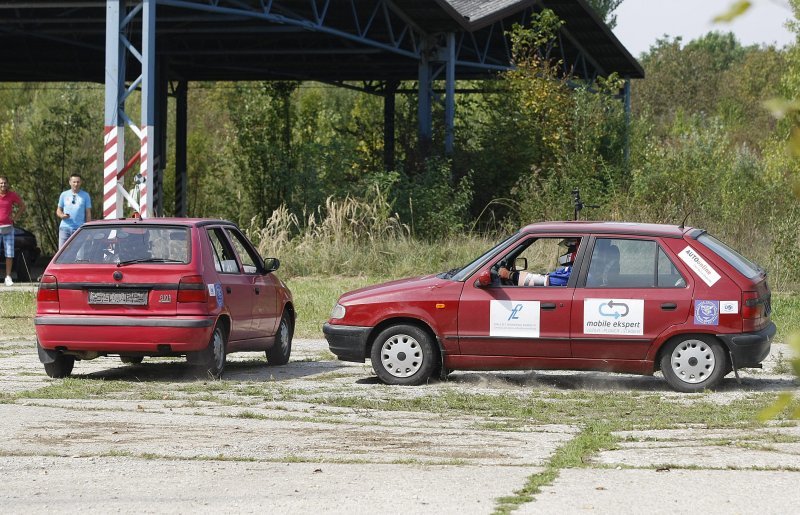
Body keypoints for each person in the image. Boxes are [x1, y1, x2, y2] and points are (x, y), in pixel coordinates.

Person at [499, 238, 579, 287]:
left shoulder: (573, 273)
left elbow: (544, 281)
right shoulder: (574, 270)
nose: (566, 253)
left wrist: (509, 275)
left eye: (569, 249)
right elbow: (547, 276)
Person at [0, 176, 27, 286]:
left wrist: (15, 218)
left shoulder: (12, 195)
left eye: (5, 183)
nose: (3, 185)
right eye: (1, 183)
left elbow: (22, 206)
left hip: (8, 227)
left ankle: (8, 276)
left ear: (8, 184)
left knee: (9, 253)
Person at [57, 173, 92, 248]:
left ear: (81, 182)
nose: (76, 184)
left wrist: (88, 229)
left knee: (78, 254)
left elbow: (88, 213)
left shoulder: (85, 195)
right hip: (64, 228)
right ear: (70, 182)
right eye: (74, 182)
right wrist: (62, 215)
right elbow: (58, 210)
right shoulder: (64, 194)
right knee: (62, 253)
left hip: (79, 229)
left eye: (78, 182)